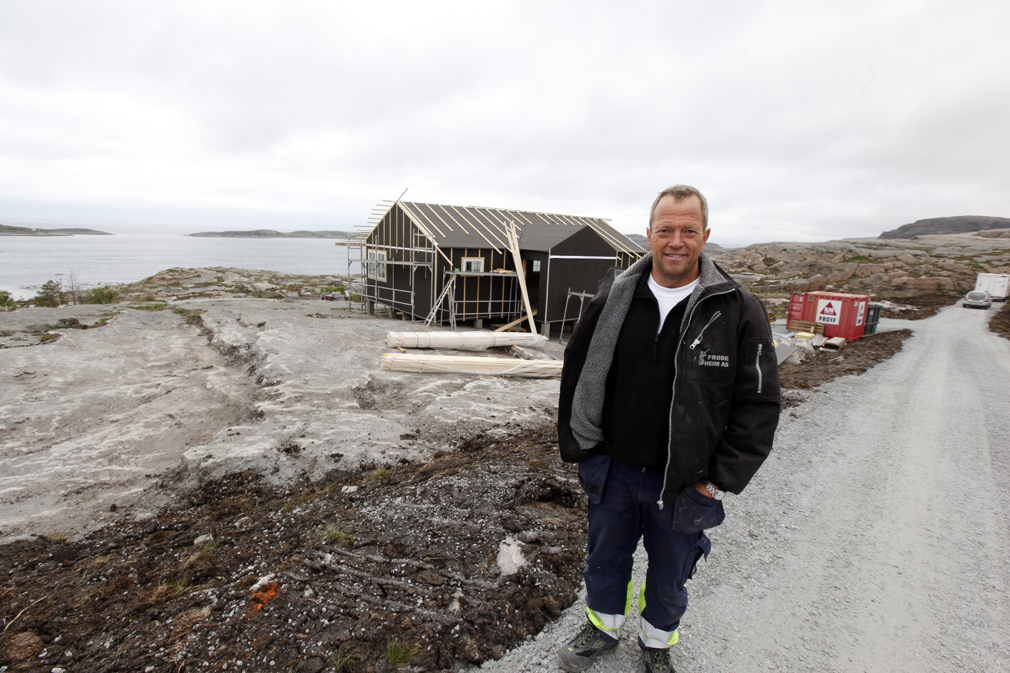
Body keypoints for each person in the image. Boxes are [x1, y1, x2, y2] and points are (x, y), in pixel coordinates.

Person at [556, 185, 781, 673]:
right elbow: (577, 376)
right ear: (650, 234)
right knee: (605, 559)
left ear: (705, 235)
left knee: (670, 573)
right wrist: (585, 451)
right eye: (665, 230)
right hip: (613, 468)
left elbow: (759, 404)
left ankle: (657, 644)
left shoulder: (736, 309)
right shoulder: (614, 299)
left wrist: (717, 479)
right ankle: (602, 628)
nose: (676, 241)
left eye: (688, 230)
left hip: (683, 480)